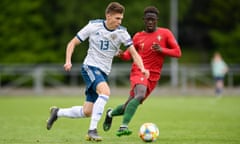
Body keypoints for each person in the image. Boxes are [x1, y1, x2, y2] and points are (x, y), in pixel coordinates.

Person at [46, 2, 149, 142]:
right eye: (117, 18)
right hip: (90, 67)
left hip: (103, 72)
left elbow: (134, 54)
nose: (120, 22)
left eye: (121, 19)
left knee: (87, 111)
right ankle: (92, 130)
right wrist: (68, 61)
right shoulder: (93, 26)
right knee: (105, 92)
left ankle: (57, 112)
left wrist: (142, 68)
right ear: (108, 15)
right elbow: (72, 43)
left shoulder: (122, 33)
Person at [103, 6, 181, 137]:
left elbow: (178, 52)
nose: (150, 22)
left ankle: (110, 114)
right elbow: (129, 55)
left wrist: (162, 50)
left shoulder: (165, 33)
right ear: (144, 20)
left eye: (153, 20)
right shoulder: (138, 36)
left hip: (154, 76)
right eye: (148, 20)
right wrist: (122, 54)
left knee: (127, 106)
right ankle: (123, 126)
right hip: (139, 71)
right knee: (139, 94)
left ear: (157, 20)